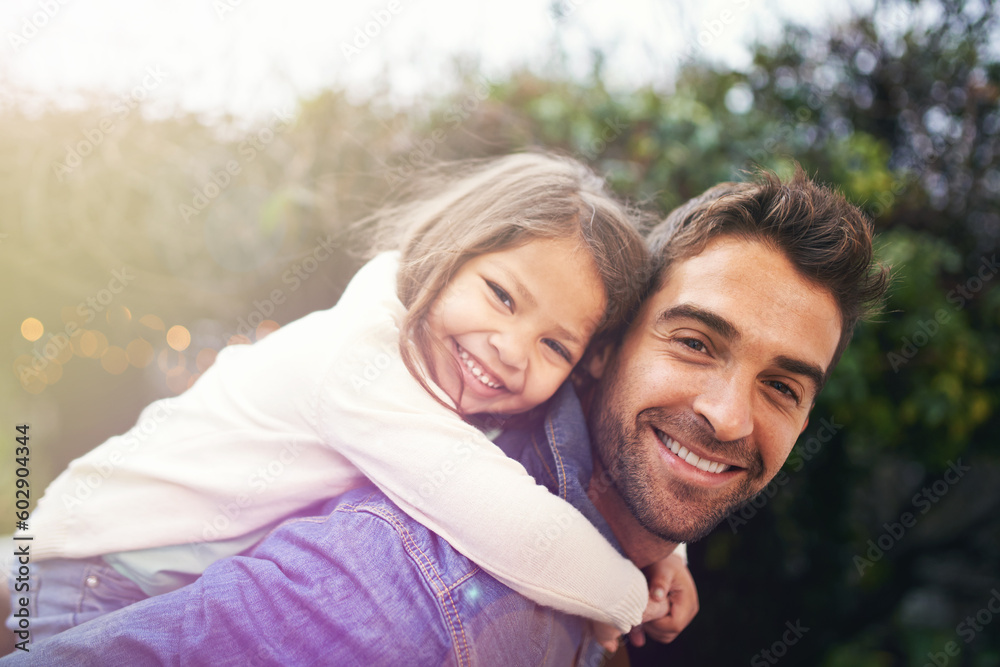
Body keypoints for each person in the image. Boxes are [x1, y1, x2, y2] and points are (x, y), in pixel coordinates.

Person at [1, 166, 888, 666]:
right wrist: (624, 597)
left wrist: (664, 558)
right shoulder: (418, 565)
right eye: (696, 342)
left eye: (785, 386)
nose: (730, 414)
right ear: (608, 357)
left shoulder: (471, 409)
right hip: (81, 564)